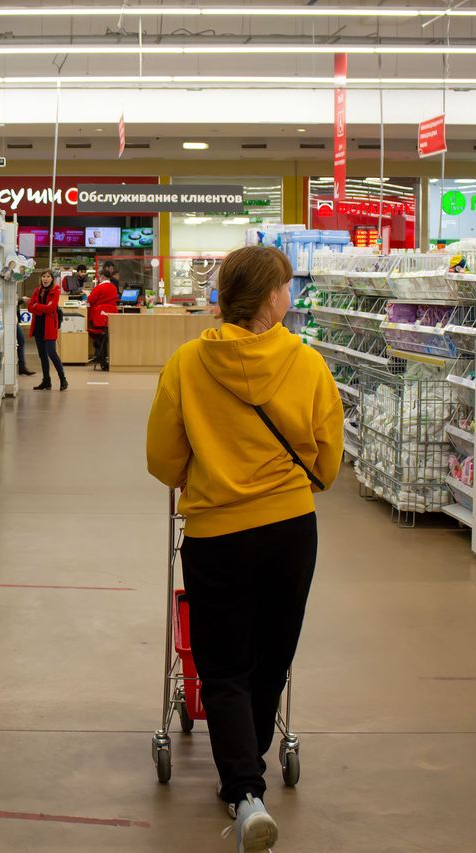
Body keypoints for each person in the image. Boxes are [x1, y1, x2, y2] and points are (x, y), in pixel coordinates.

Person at [145, 245, 343, 853]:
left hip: (215, 532)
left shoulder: (186, 364)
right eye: (284, 286)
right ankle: (246, 771)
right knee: (272, 653)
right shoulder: (306, 364)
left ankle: (244, 789)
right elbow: (328, 461)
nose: (289, 295)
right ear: (268, 297)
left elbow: (162, 458)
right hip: (289, 529)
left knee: (223, 663)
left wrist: (198, 472)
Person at [27, 270, 68, 391]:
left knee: (51, 353)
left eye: (48, 276)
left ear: (51, 279)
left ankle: (63, 379)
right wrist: (38, 307)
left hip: (50, 326)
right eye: (43, 276)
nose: (45, 279)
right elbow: (29, 307)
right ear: (41, 278)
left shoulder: (56, 291)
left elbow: (51, 309)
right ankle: (46, 381)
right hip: (38, 326)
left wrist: (37, 306)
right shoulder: (37, 290)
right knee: (42, 355)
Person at [86, 273, 119, 370]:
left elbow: (91, 300)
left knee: (99, 336)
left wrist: (88, 294)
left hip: (99, 317)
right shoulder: (113, 287)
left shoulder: (99, 288)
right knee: (105, 337)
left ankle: (100, 357)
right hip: (109, 318)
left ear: (102, 277)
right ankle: (102, 357)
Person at [15, 297, 35, 376]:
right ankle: (22, 367)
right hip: (11, 320)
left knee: (21, 341)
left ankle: (22, 366)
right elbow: (10, 301)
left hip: (14, 320)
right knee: (21, 340)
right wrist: (21, 299)